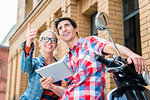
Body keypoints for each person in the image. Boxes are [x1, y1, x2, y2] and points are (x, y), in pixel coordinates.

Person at [40, 17, 147, 100]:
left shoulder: (90, 42)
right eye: (60, 28)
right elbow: (66, 91)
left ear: (76, 28)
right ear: (60, 36)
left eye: (67, 25)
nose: (64, 29)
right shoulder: (65, 60)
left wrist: (131, 55)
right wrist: (52, 87)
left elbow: (113, 48)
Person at [20, 23, 62, 100]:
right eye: (45, 39)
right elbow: (25, 68)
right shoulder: (35, 63)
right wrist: (28, 43)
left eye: (53, 40)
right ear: (39, 44)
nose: (49, 42)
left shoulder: (60, 66)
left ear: (56, 45)